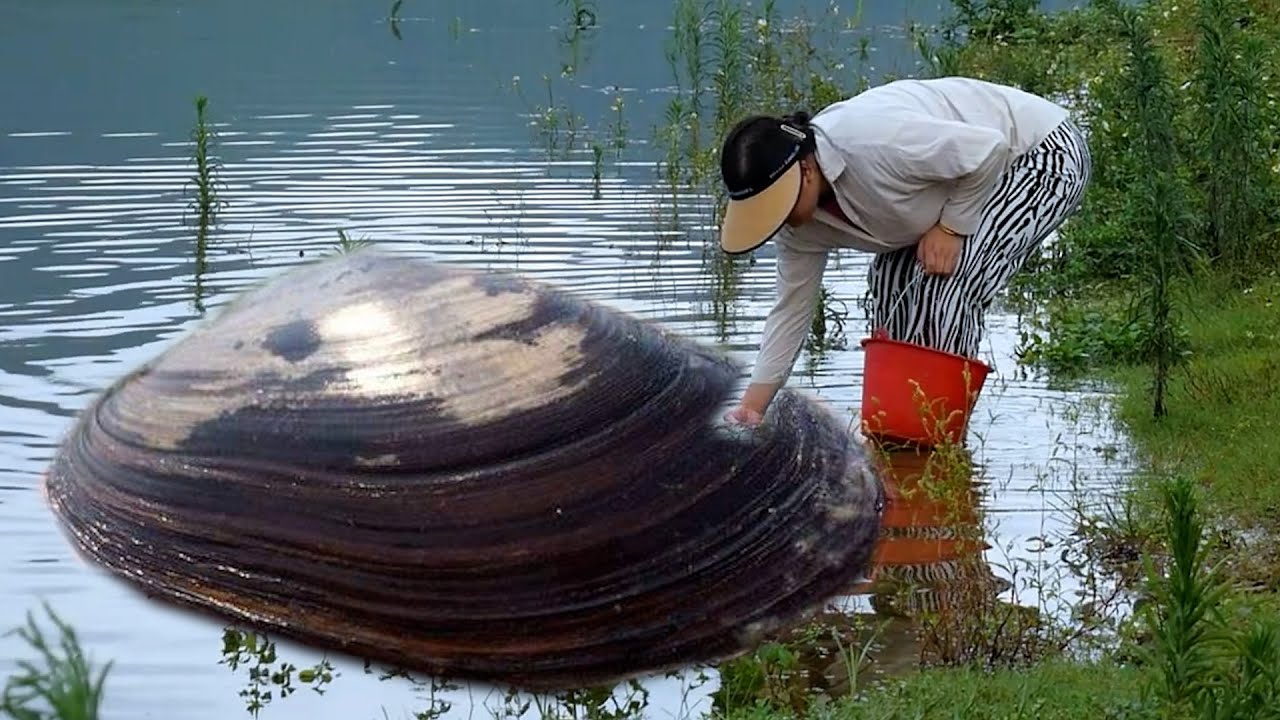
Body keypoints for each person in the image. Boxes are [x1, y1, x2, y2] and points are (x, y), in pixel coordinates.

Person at [717, 76, 1092, 426]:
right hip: (968, 176)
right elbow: (791, 311)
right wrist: (752, 408)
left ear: (806, 170)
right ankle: (900, 432)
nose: (777, 221)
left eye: (777, 205)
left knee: (950, 278)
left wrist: (951, 228)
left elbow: (989, 149)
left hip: (1038, 152)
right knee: (888, 278)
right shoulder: (799, 228)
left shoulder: (873, 142)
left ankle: (938, 438)